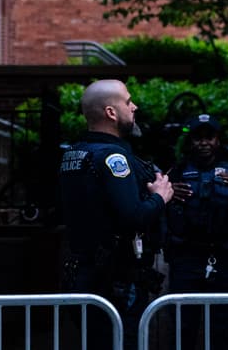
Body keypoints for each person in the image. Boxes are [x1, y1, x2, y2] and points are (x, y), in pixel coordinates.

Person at [58, 79, 174, 350]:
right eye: (128, 101)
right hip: (115, 280)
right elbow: (132, 216)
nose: (134, 107)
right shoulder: (113, 158)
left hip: (84, 274)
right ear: (111, 112)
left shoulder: (74, 154)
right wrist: (161, 196)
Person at [163, 113, 228, 350]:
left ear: (218, 140)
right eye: (197, 137)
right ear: (190, 142)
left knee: (220, 328)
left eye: (209, 137)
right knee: (182, 327)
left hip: (224, 259)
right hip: (185, 259)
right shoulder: (177, 172)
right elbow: (152, 205)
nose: (203, 143)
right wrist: (166, 194)